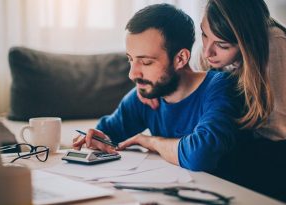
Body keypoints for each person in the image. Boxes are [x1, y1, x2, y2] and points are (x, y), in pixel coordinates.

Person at [139, 0, 286, 203]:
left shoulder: (275, 44)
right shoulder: (211, 48)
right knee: (215, 146)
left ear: (246, 41)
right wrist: (155, 87)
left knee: (242, 155)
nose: (207, 51)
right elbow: (189, 82)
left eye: (222, 45)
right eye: (204, 35)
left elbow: (275, 131)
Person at [72, 4, 249, 178]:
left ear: (180, 58)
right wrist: (97, 140)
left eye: (146, 62)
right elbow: (107, 133)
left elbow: (200, 155)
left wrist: (151, 141)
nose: (132, 74)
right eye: (131, 59)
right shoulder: (146, 94)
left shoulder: (221, 87)